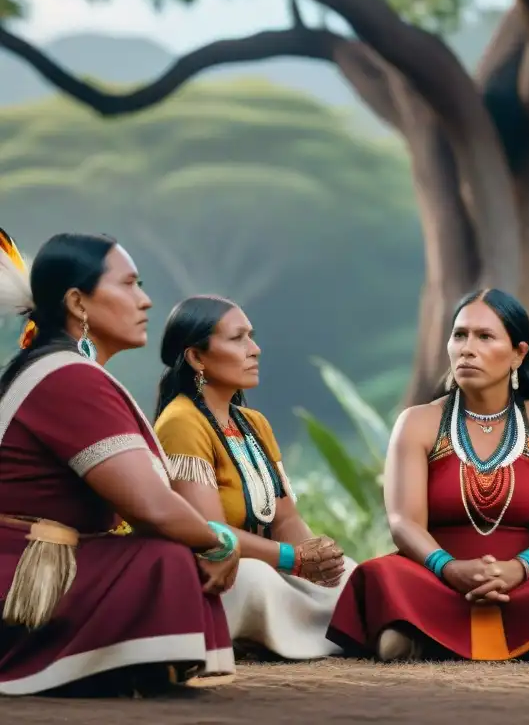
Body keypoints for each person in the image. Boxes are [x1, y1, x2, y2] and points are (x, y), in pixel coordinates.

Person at [0, 230, 239, 697]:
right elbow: (151, 508)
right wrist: (220, 542)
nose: (146, 301)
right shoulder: (67, 377)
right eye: (130, 284)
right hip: (21, 573)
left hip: (39, 557)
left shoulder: (64, 370)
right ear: (78, 302)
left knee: (170, 552)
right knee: (165, 558)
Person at [327, 289, 529, 664]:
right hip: (435, 576)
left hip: (525, 580)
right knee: (383, 575)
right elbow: (403, 521)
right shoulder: (418, 422)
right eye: (460, 335)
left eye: (485, 337)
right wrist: (448, 568)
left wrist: (518, 569)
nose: (467, 348)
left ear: (518, 354)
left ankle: (419, 635)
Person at [153, 295, 354, 660]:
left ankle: (310, 632)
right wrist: (293, 560)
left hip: (272, 561)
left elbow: (286, 518)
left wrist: (317, 561)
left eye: (252, 336)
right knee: (256, 582)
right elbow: (211, 533)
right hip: (218, 571)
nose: (255, 349)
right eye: (238, 338)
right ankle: (325, 634)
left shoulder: (253, 423)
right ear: (196, 357)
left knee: (350, 576)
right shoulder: (181, 421)